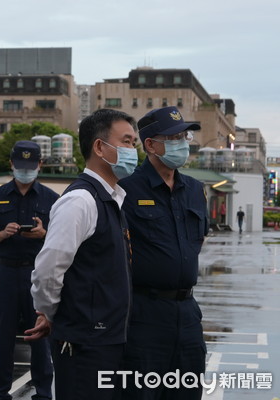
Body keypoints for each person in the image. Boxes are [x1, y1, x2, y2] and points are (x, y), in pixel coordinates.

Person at [26, 109, 137, 400]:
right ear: (100, 147)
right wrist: (52, 313)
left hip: (108, 339)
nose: (132, 151)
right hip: (85, 343)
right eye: (126, 142)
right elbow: (48, 269)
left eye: (134, 143)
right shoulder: (80, 201)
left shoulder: (112, 199)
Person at [118, 105, 208, 399]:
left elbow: (198, 240)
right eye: (173, 137)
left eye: (184, 135)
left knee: (187, 392)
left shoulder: (194, 189)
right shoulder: (126, 189)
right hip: (145, 313)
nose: (182, 142)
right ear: (150, 145)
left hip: (188, 313)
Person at [0, 140, 59, 400]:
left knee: (40, 335)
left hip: (38, 272)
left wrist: (43, 233)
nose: (26, 170)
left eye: (31, 165)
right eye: (21, 165)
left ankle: (43, 393)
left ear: (40, 165)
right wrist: (3, 233)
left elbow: (60, 240)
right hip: (7, 272)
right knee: (3, 335)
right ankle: (0, 393)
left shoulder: (52, 198)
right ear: (11, 164)